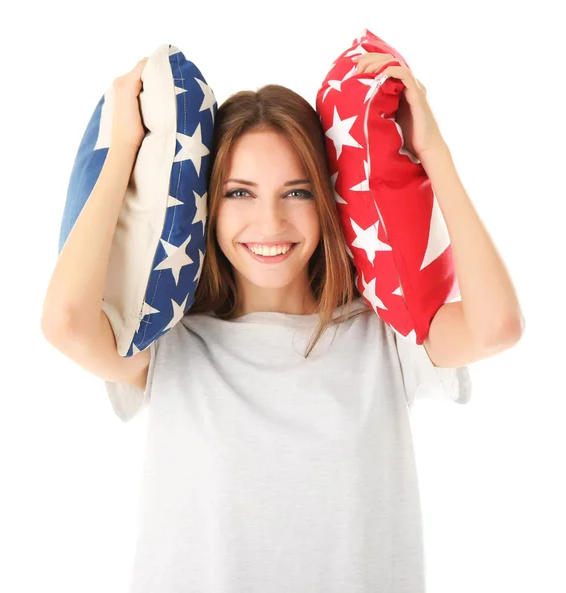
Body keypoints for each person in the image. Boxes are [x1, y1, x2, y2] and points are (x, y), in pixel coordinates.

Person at [40, 57, 504, 592]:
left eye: (297, 191)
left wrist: (433, 152)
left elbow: (496, 327)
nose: (270, 222)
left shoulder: (384, 337)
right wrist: (124, 147)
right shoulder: (173, 345)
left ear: (327, 199)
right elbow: (65, 322)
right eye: (240, 192)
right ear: (209, 205)